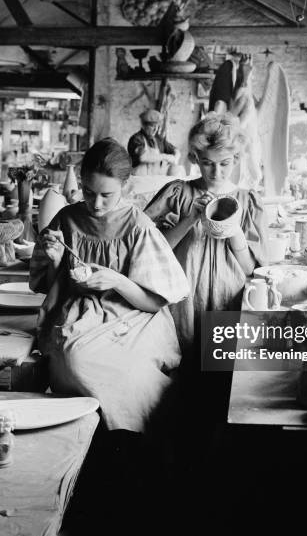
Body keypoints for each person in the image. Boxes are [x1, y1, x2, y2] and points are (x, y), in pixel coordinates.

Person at [29, 138, 189, 433]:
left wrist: (117, 280)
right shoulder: (67, 219)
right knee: (75, 359)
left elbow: (154, 303)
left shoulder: (137, 225)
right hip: (77, 310)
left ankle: (130, 438)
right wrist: (55, 262)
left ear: (125, 187)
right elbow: (51, 290)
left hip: (134, 314)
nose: (96, 203)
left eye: (107, 194)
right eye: (89, 192)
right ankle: (86, 437)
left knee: (130, 370)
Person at [144, 112, 268, 352]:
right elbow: (152, 251)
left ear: (237, 158)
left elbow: (251, 269)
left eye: (225, 164)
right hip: (183, 300)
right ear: (195, 158)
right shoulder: (177, 193)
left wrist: (233, 230)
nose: (216, 172)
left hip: (229, 297)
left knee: (223, 367)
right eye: (207, 163)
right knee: (183, 361)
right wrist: (190, 218)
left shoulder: (248, 200)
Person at [127, 109, 178, 176]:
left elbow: (175, 150)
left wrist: (175, 159)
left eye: (157, 126)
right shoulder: (136, 139)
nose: (155, 129)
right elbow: (143, 157)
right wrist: (165, 156)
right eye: (152, 126)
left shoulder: (158, 139)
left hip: (153, 180)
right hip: (138, 180)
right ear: (143, 125)